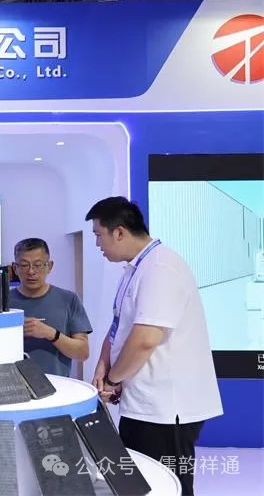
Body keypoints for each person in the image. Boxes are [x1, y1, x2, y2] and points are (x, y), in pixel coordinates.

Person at [85, 197, 222, 496]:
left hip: (166, 409)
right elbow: (119, 327)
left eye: (98, 234)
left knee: (168, 486)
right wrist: (103, 367)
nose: (97, 244)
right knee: (141, 485)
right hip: (144, 403)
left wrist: (113, 379)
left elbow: (145, 339)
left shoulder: (161, 268)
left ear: (119, 232)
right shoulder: (136, 269)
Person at [8, 238, 92, 377]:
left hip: (57, 386)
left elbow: (82, 353)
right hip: (11, 385)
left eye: (38, 265)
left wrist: (51, 334)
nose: (31, 271)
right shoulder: (2, 303)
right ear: (15, 268)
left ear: (49, 266)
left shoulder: (68, 299)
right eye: (24, 265)